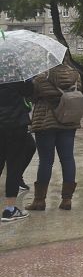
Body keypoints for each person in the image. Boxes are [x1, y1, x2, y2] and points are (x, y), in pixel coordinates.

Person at [28, 56, 83, 211]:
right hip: (68, 120)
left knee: (46, 161)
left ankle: (39, 201)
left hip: (46, 121)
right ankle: (67, 200)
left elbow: (32, 96)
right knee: (68, 159)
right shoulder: (76, 75)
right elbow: (78, 91)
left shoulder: (41, 76)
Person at [1, 80, 35, 221]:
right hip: (16, 125)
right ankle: (10, 209)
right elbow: (29, 91)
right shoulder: (17, 76)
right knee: (14, 166)